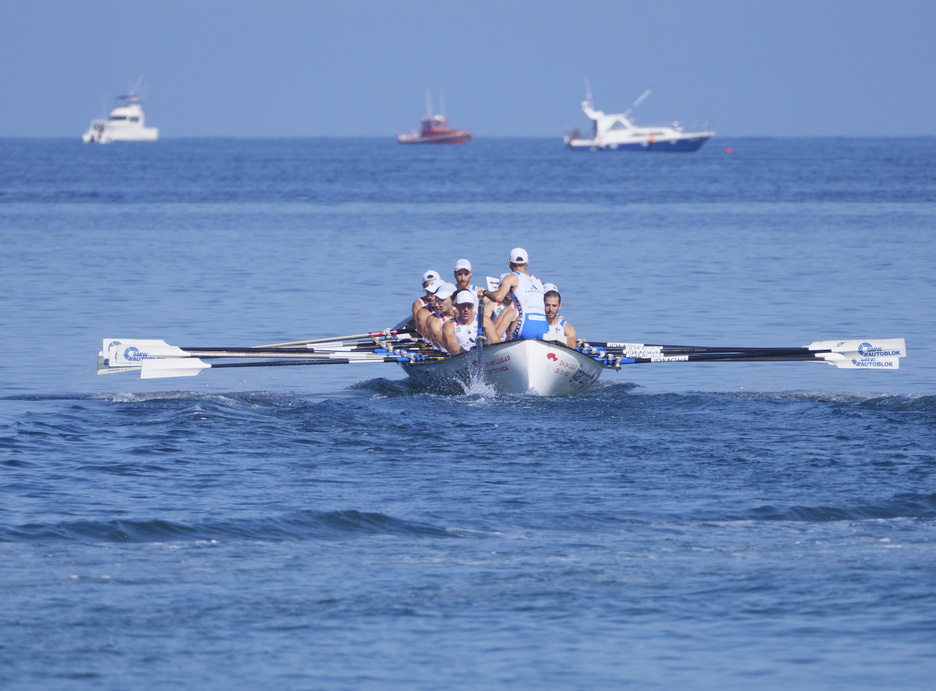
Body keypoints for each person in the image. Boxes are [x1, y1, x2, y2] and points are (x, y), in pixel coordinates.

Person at [481, 248, 548, 340]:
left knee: (508, 339)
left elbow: (498, 297)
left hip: (526, 326)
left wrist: (485, 292)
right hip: (544, 327)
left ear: (509, 262)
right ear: (527, 263)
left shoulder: (511, 277)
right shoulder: (538, 281)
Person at [441, 289, 489, 354]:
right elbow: (452, 346)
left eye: (469, 305)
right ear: (457, 305)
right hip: (461, 357)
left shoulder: (484, 320)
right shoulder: (449, 325)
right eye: (463, 305)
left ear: (473, 306)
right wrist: (469, 355)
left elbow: (495, 341)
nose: (466, 309)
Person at [542, 284, 577, 348]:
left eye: (554, 306)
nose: (550, 309)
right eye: (547, 305)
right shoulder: (537, 324)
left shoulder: (568, 328)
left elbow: (571, 348)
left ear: (559, 306)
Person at [425, 282, 457, 349]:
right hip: (447, 355)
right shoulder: (434, 320)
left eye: (442, 300)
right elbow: (447, 344)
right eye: (438, 300)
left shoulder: (468, 315)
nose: (437, 305)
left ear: (454, 299)